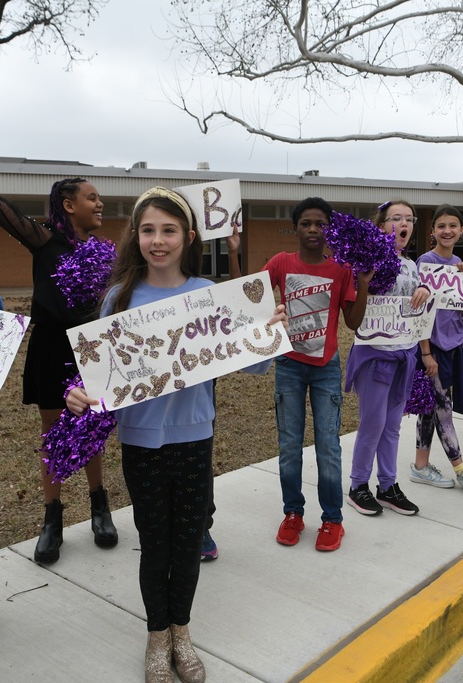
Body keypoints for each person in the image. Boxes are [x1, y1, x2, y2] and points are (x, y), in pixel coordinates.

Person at [66, 187, 285, 683]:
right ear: (135, 236)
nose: (157, 241)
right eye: (148, 230)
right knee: (154, 542)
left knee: (187, 544)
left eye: (168, 231)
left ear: (188, 237)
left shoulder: (211, 295)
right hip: (141, 440)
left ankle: (181, 632)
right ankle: (155, 636)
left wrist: (266, 330)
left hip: (193, 437)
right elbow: (102, 380)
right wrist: (80, 394)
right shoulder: (117, 299)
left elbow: (253, 365)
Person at [0, 129, 117, 565]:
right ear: (68, 205)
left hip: (91, 347)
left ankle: (100, 505)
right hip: (49, 347)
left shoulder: (103, 252)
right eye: (91, 197)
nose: (99, 204)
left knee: (92, 430)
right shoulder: (45, 239)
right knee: (53, 433)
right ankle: (52, 518)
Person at [263, 198, 370, 550]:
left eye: (320, 224)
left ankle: (332, 520)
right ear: (295, 227)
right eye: (306, 223)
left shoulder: (341, 269)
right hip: (289, 367)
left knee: (328, 447)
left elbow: (353, 322)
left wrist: (364, 282)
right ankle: (292, 513)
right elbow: (251, 298)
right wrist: (233, 251)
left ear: (329, 229)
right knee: (290, 446)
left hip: (326, 370)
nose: (313, 229)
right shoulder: (281, 263)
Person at [345, 200, 430, 516]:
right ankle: (358, 485)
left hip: (404, 356)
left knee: (393, 424)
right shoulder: (367, 262)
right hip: (375, 356)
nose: (403, 224)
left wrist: (423, 294)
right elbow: (356, 302)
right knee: (373, 422)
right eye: (395, 218)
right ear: (381, 226)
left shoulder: (411, 266)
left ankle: (388, 485)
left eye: (409, 218)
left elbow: (414, 313)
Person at [411, 204, 463, 498]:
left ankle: (420, 465)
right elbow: (419, 313)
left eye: (453, 226)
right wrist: (426, 353)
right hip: (433, 349)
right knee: (443, 410)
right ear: (433, 232)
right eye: (441, 226)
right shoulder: (424, 264)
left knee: (430, 411)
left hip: (454, 346)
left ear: (461, 230)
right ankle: (461, 469)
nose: (447, 231)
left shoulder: (459, 264)